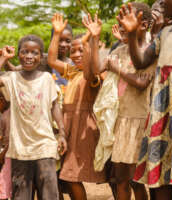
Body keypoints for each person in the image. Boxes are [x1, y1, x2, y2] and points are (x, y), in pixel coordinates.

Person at [0, 35, 67, 200]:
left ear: (40, 56)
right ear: (18, 55)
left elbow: (54, 106)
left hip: (44, 144)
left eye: (34, 53)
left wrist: (63, 134)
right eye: (25, 52)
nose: (29, 56)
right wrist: (2, 59)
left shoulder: (46, 79)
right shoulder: (12, 78)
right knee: (21, 194)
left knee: (49, 193)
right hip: (20, 147)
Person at [89, 3, 154, 200]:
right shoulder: (119, 50)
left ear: (143, 24)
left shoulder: (151, 51)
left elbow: (142, 83)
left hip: (139, 121)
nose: (122, 24)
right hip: (119, 122)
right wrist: (95, 37)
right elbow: (96, 70)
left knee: (137, 180)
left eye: (128, 19)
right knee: (121, 180)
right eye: (121, 20)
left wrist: (117, 70)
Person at [117, 1, 172, 199]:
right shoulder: (165, 33)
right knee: (160, 183)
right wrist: (133, 33)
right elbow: (141, 61)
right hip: (162, 116)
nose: (162, 2)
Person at [48, 13, 107, 200]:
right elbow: (51, 61)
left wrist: (93, 40)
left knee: (70, 174)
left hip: (83, 130)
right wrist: (56, 34)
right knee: (67, 175)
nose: (76, 55)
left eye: (82, 50)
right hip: (68, 125)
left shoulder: (94, 74)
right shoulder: (72, 71)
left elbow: (91, 75)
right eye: (73, 51)